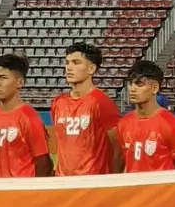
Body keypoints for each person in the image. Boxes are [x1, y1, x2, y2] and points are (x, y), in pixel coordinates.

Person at [51, 43, 122, 176]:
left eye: (76, 62)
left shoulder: (102, 102)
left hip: (92, 182)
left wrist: (112, 180)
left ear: (91, 68)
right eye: (67, 62)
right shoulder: (58, 103)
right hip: (63, 181)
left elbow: (118, 147)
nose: (69, 67)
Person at [0, 55, 52, 177]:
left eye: (3, 78)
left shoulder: (29, 117)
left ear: (20, 82)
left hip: (22, 188)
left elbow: (43, 162)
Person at [117, 58, 175, 172]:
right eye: (130, 84)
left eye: (139, 84)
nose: (132, 89)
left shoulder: (171, 124)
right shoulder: (123, 123)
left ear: (155, 88)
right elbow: (126, 162)